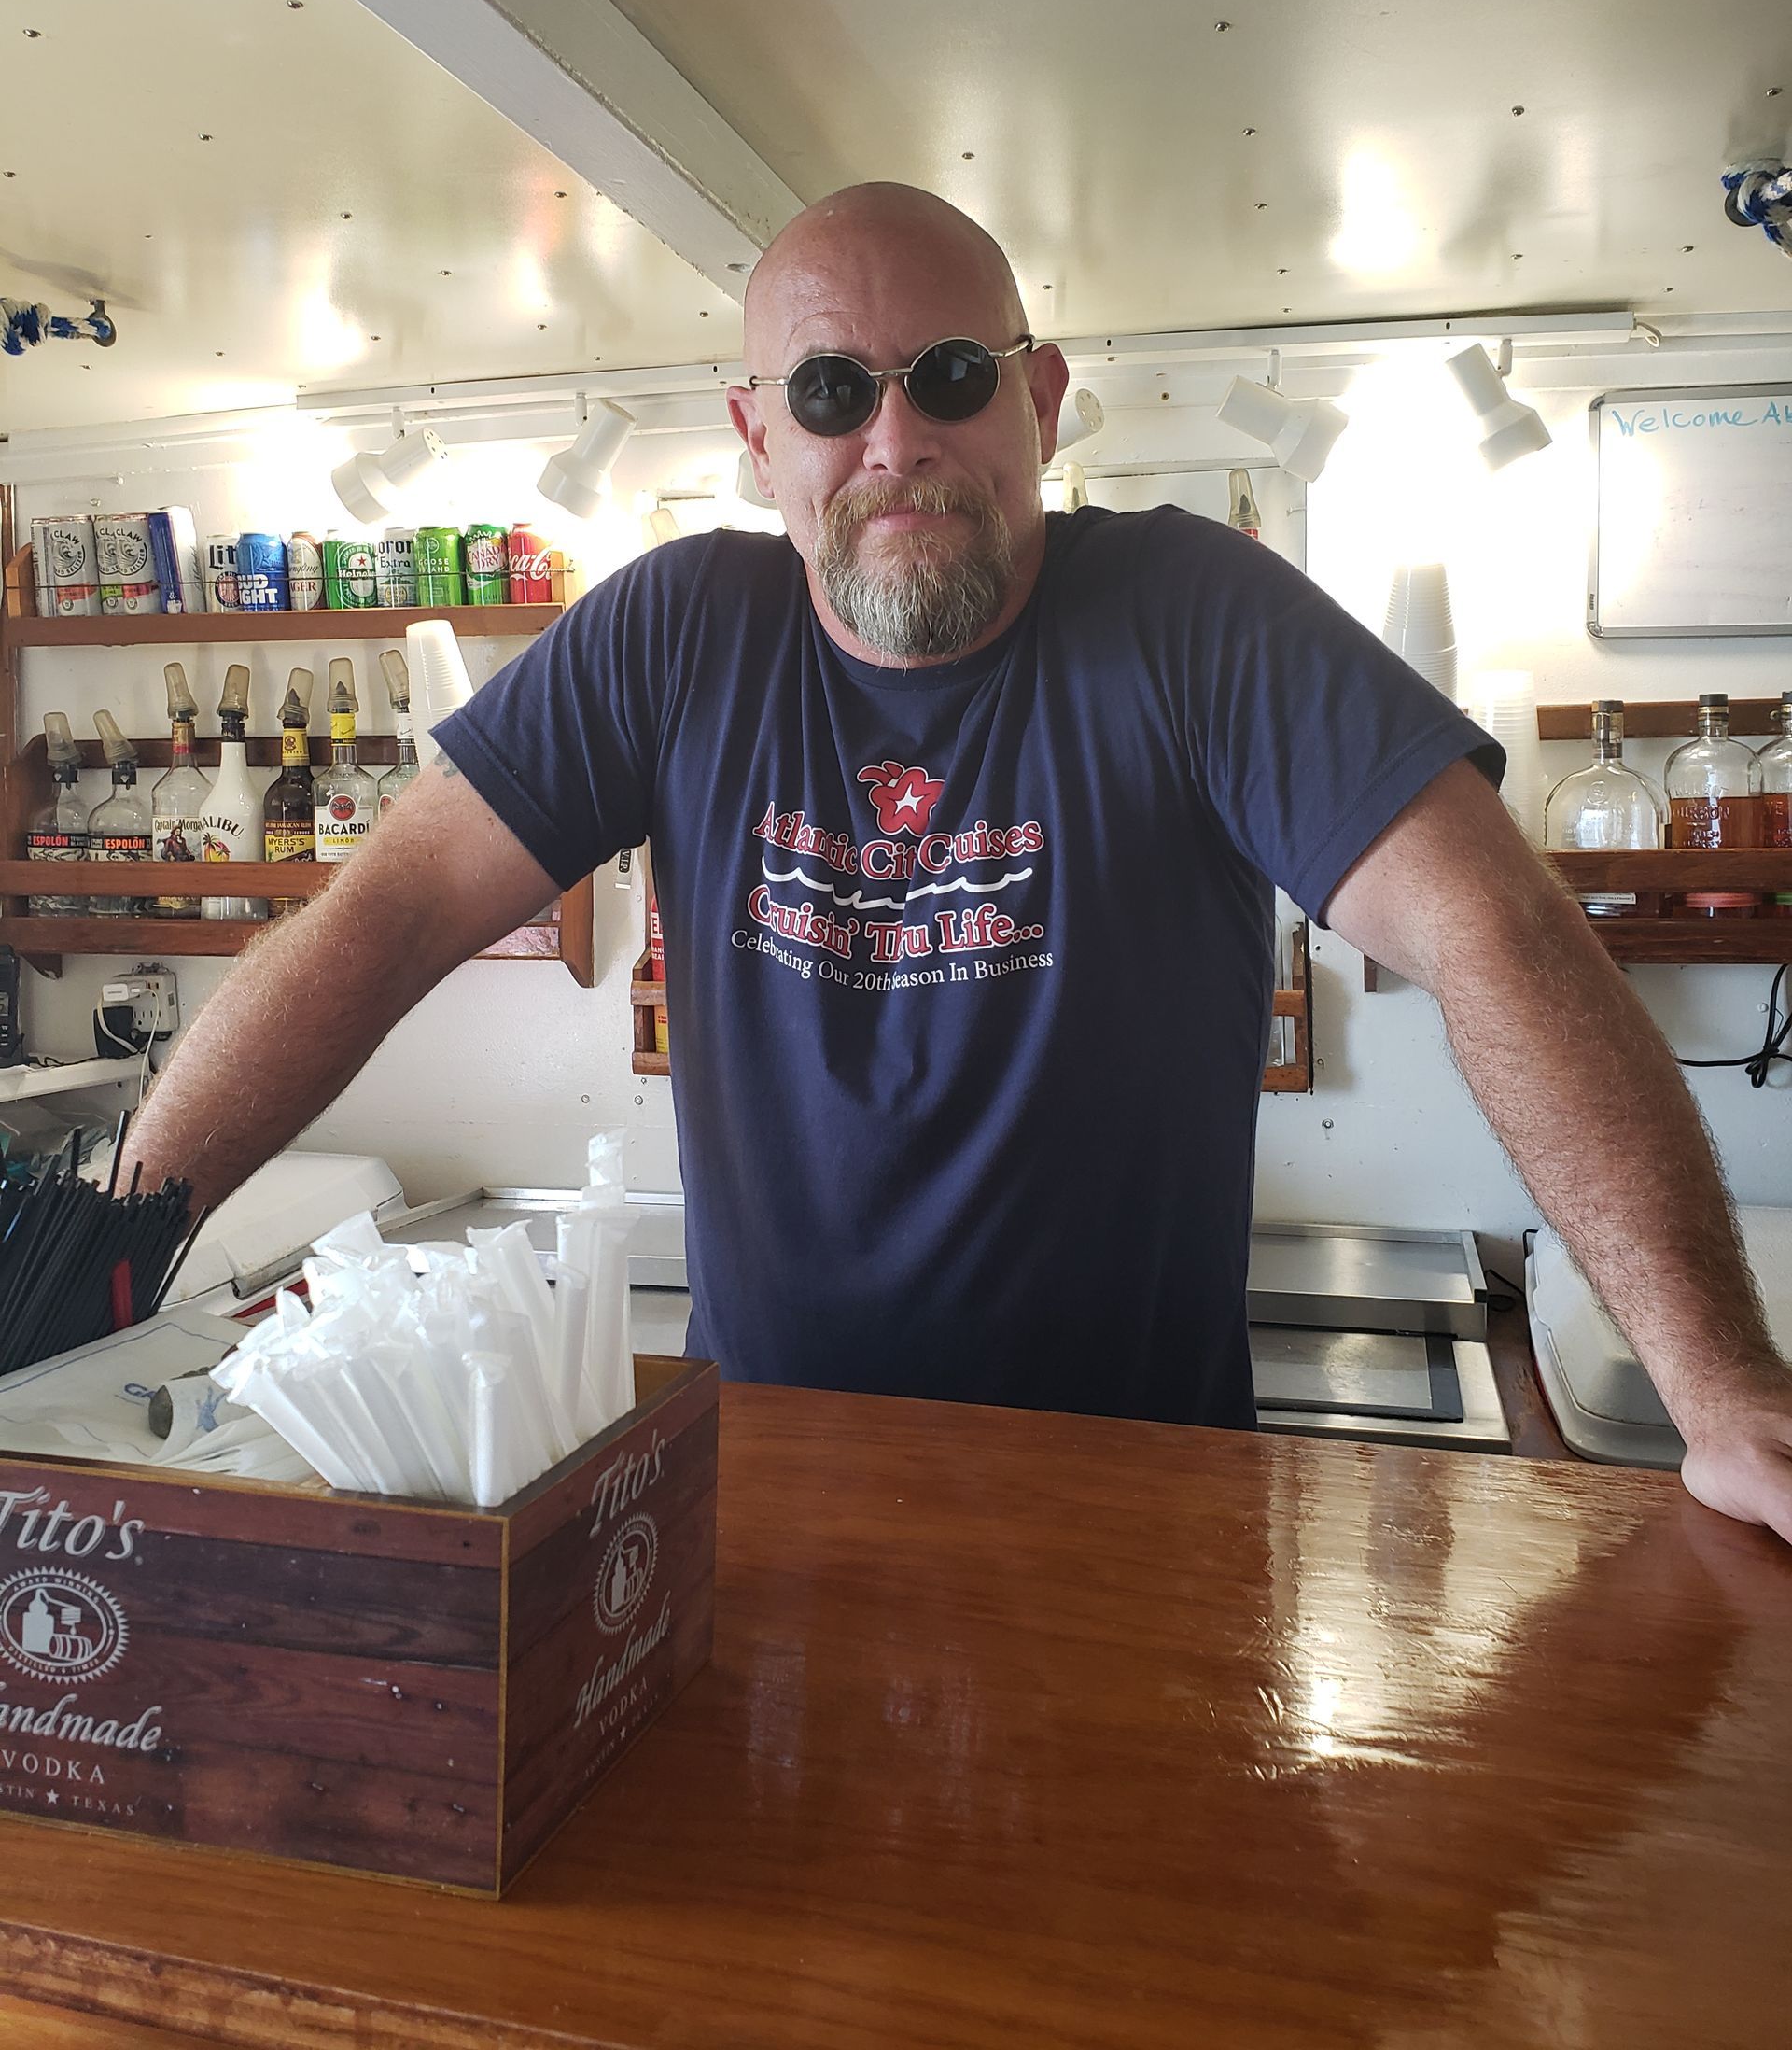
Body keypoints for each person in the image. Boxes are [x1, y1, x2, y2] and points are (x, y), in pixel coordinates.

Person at [127, 182, 1792, 1544]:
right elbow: (389, 913)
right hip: (768, 1502)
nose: (896, 441)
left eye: (950, 377)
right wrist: (102, 1266)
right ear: (756, 436)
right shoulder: (674, 632)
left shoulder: (1197, 619)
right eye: (835, 394)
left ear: (1043, 400)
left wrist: (1720, 1398)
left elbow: (1496, 933)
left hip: (1140, 1519)